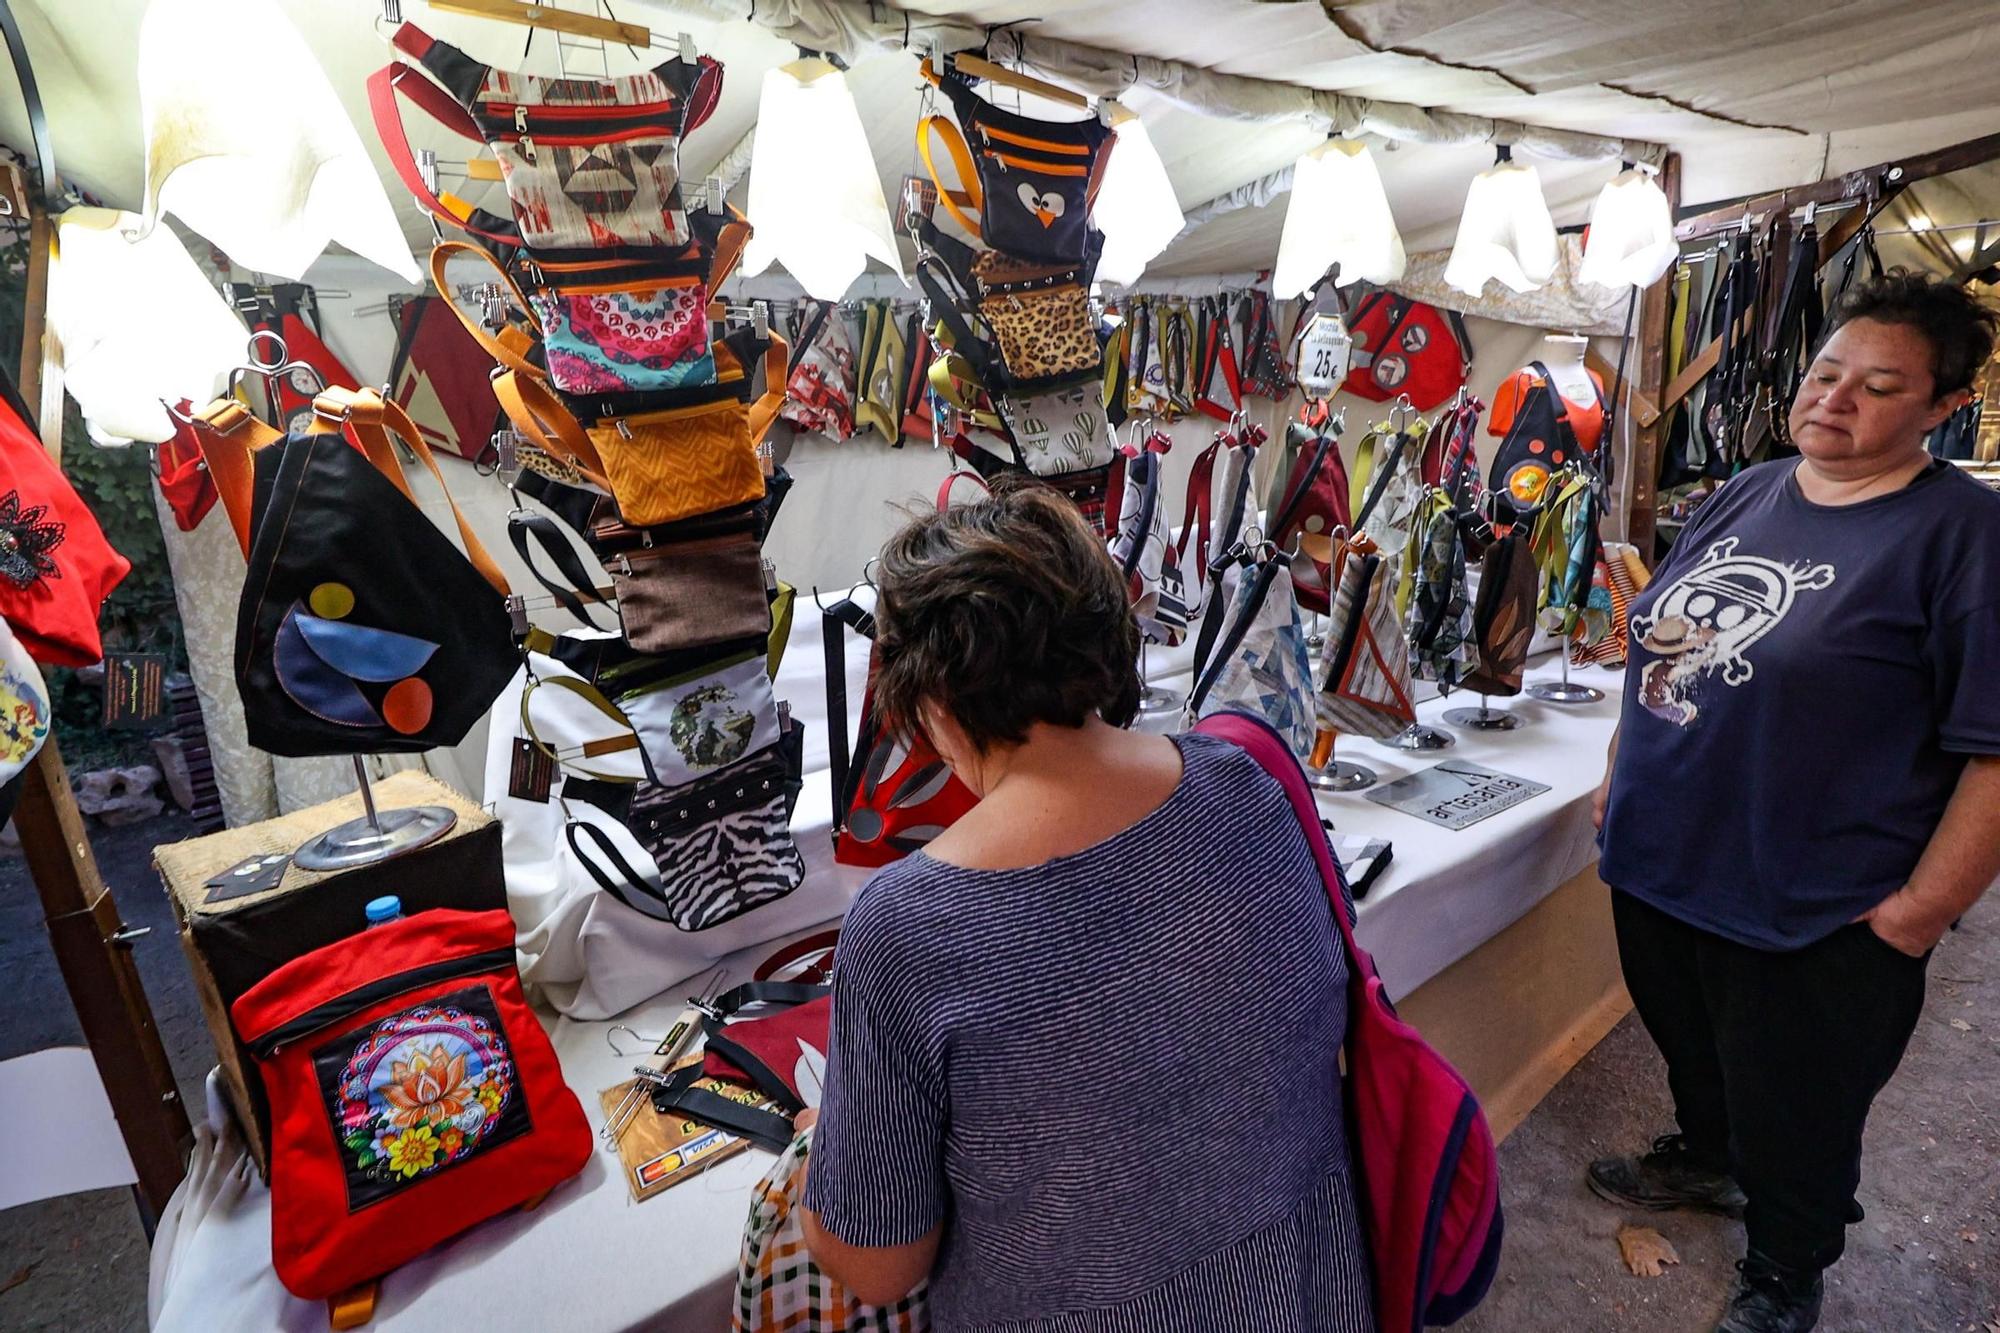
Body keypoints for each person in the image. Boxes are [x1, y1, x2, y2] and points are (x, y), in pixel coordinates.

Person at [796, 482, 1375, 1331]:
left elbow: (877, 1266)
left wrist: (825, 1146)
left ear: (934, 702)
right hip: (1306, 1295)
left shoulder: (910, 926)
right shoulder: (1245, 783)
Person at [1589, 271, 2000, 1333]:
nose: (1832, 398)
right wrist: (1613, 782)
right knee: (1694, 1050)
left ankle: (1784, 1262)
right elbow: (1660, 645)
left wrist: (1912, 917)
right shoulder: (1748, 489)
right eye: (1825, 372)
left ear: (1940, 408)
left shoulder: (1962, 535)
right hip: (1662, 857)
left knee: (1800, 1106)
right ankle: (1712, 1159)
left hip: (1816, 895)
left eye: (1876, 386)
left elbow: (1995, 753)